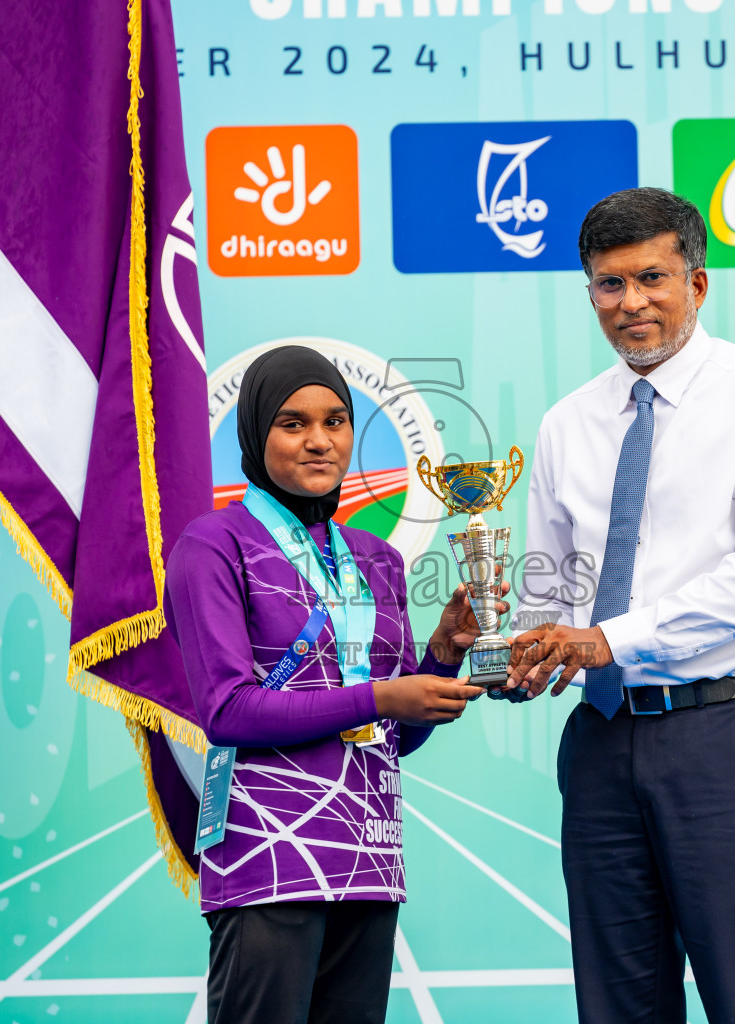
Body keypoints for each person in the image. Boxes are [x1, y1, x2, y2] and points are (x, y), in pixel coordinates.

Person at [506, 188, 735, 1024]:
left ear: (699, 282)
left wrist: (607, 639)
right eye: (609, 285)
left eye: (653, 278)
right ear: (589, 294)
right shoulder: (565, 424)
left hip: (727, 737)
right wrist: (511, 649)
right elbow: (552, 593)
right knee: (617, 1007)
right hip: (603, 746)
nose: (631, 303)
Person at [162, 345, 500, 1024]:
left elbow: (393, 737)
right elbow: (227, 711)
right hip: (267, 855)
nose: (319, 441)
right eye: (292, 424)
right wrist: (381, 695)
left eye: (336, 420)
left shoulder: (375, 558)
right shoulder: (214, 545)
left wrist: (439, 656)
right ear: (255, 436)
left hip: (369, 855)